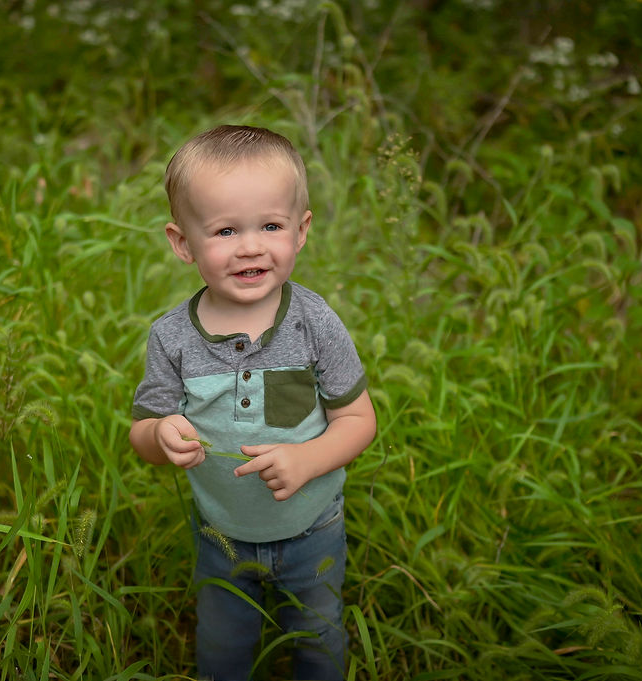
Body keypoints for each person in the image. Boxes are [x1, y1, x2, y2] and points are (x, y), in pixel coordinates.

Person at [129, 124, 376, 681]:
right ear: (182, 242)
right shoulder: (172, 338)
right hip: (221, 535)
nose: (250, 246)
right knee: (222, 648)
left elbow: (359, 420)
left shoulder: (315, 324)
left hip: (313, 527)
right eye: (223, 230)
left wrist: (308, 460)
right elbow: (143, 431)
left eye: (270, 225)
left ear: (301, 230)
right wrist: (161, 435)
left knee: (317, 638)